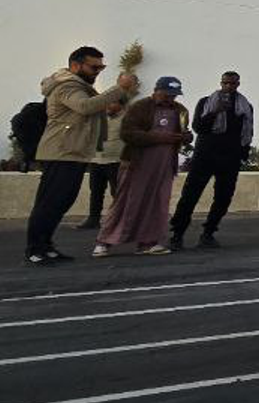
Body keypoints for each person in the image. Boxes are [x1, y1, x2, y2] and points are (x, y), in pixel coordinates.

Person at [24, 47, 138, 266]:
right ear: (76, 65)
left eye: (101, 67)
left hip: (73, 152)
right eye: (94, 67)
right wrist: (120, 88)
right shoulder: (67, 86)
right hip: (61, 152)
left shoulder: (80, 86)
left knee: (61, 202)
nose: (98, 71)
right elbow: (85, 107)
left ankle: (46, 246)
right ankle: (35, 249)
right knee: (49, 203)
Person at [94, 77, 191, 257]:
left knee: (157, 203)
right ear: (156, 90)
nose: (170, 99)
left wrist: (186, 138)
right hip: (138, 163)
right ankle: (104, 241)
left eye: (173, 96)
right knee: (127, 201)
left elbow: (183, 132)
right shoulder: (140, 107)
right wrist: (160, 138)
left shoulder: (180, 110)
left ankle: (148, 241)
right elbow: (127, 134)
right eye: (167, 95)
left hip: (164, 164)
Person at [170, 71, 253, 249]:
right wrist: (215, 111)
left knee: (223, 197)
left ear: (238, 85)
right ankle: (177, 234)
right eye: (225, 83)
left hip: (230, 158)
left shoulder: (245, 106)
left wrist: (242, 154)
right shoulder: (206, 102)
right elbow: (198, 127)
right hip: (205, 156)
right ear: (220, 83)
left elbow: (247, 131)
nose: (228, 87)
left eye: (232, 84)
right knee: (190, 195)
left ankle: (208, 233)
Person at [76, 103, 124, 230]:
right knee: (96, 191)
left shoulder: (126, 119)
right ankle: (93, 219)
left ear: (120, 104)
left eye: (112, 103)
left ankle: (120, 220)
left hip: (116, 161)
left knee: (117, 192)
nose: (108, 106)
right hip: (96, 160)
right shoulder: (98, 119)